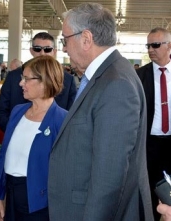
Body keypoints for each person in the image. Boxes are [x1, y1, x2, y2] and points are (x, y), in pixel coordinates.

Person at [48, 3, 153, 220]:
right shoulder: (106, 75)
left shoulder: (116, 84)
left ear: (86, 39)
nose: (65, 48)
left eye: (65, 40)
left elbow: (109, 177)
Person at [0, 55, 67, 221]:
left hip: (39, 202)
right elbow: (4, 156)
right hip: (11, 193)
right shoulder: (18, 111)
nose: (21, 83)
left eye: (26, 79)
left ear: (45, 81)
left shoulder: (62, 120)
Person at [0, 32, 77, 132]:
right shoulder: (13, 77)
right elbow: (0, 111)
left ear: (54, 51)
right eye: (38, 49)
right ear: (31, 51)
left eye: (47, 49)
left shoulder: (67, 80)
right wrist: (16, 131)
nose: (42, 53)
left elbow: (72, 115)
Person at [136, 27, 171, 220]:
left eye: (156, 45)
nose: (151, 49)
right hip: (149, 145)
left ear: (169, 46)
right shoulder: (139, 76)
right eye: (148, 45)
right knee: (147, 189)